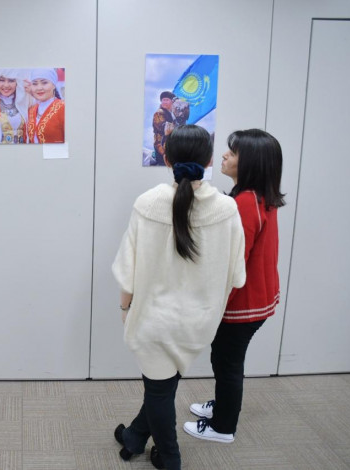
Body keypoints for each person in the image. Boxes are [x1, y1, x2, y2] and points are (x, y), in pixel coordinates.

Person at [112, 125, 246, 470]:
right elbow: (237, 276)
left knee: (159, 390)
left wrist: (125, 308)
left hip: (153, 320)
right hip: (200, 322)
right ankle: (135, 437)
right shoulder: (228, 209)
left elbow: (127, 271)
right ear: (210, 160)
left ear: (166, 158)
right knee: (164, 384)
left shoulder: (148, 203)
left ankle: (170, 458)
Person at [184, 129, 285, 444]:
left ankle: (223, 427)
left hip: (244, 302)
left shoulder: (244, 203)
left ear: (251, 162)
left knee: (227, 362)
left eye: (234, 152)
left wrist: (211, 302)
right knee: (225, 357)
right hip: (257, 297)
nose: (225, 155)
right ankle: (223, 406)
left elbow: (233, 263)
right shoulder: (257, 196)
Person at [26, 68, 65, 143]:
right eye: (35, 84)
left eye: (44, 83)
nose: (39, 88)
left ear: (54, 85)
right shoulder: (31, 110)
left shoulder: (63, 108)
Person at [152, 91, 175, 166]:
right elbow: (163, 127)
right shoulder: (159, 112)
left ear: (172, 102)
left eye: (167, 100)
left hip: (170, 143)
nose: (164, 102)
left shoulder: (171, 114)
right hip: (161, 145)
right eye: (163, 100)